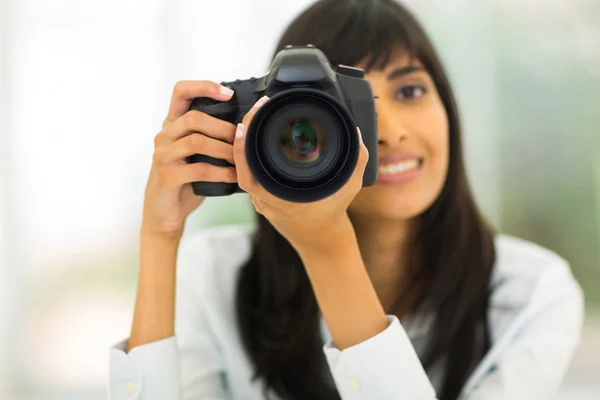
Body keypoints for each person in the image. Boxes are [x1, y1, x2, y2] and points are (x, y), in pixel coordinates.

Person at [108, 0, 584, 399]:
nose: (391, 132)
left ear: (447, 104)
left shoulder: (531, 295)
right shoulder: (214, 275)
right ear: (260, 129)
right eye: (348, 106)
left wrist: (326, 246)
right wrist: (159, 234)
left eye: (410, 90)